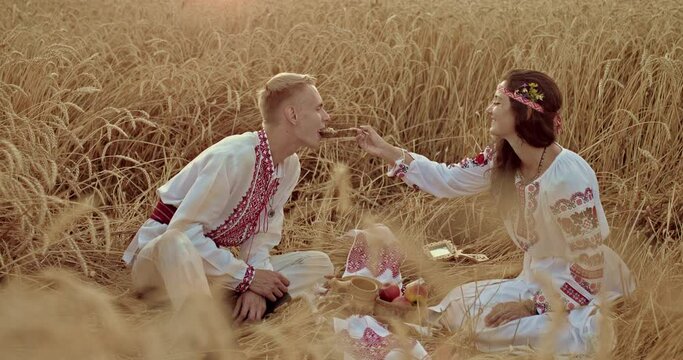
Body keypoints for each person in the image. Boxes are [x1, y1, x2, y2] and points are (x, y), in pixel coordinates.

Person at [354, 69, 635, 353]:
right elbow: (448, 179)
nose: (489, 108)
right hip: (534, 277)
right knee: (458, 302)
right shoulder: (502, 159)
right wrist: (385, 149)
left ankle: (587, 330)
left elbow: (590, 271)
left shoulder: (568, 179)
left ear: (523, 114)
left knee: (486, 327)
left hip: (579, 288)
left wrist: (529, 306)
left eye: (498, 101)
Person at [122, 73, 334, 323]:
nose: (326, 117)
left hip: (210, 271)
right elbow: (184, 231)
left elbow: (261, 237)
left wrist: (256, 284)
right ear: (293, 115)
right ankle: (207, 328)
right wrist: (247, 277)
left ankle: (216, 313)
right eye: (319, 108)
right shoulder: (234, 156)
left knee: (319, 265)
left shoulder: (289, 166)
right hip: (161, 265)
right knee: (176, 242)